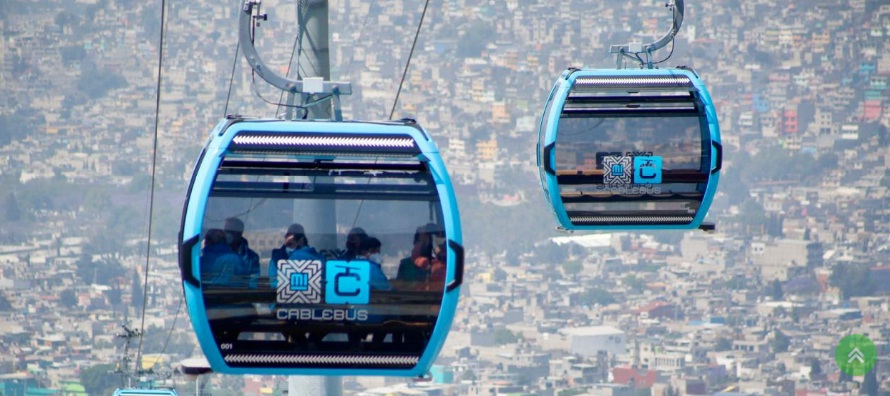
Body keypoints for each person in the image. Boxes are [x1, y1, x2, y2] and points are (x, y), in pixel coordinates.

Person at [268, 223, 324, 288]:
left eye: (291, 241)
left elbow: (274, 283)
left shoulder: (277, 258)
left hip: (286, 294)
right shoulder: (317, 257)